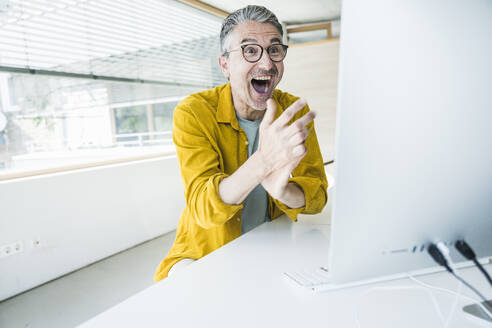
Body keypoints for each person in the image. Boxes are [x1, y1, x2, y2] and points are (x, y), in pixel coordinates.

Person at [154, 5, 328, 281]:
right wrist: (263, 163)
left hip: (268, 246)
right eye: (249, 50)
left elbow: (317, 194)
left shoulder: (292, 111)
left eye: (274, 49)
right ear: (225, 65)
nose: (267, 63)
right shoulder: (194, 112)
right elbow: (202, 207)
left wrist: (282, 190)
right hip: (203, 253)